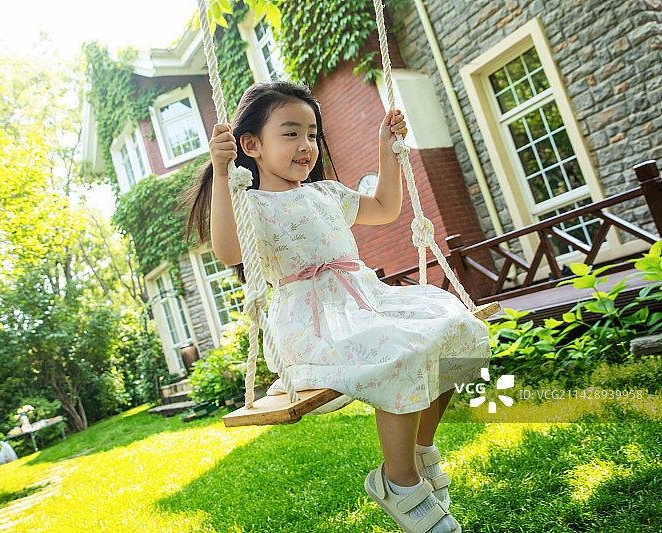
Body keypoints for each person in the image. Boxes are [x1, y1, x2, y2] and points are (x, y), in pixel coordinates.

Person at [185, 81, 490, 533]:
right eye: (290, 133)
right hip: (313, 323)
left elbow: (386, 208)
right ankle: (400, 483)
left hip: (366, 301)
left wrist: (387, 150)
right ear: (252, 144)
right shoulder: (248, 204)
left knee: (458, 330)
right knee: (399, 352)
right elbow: (229, 251)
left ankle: (422, 451)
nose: (306, 145)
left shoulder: (327, 193)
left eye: (312, 133)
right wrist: (221, 169)